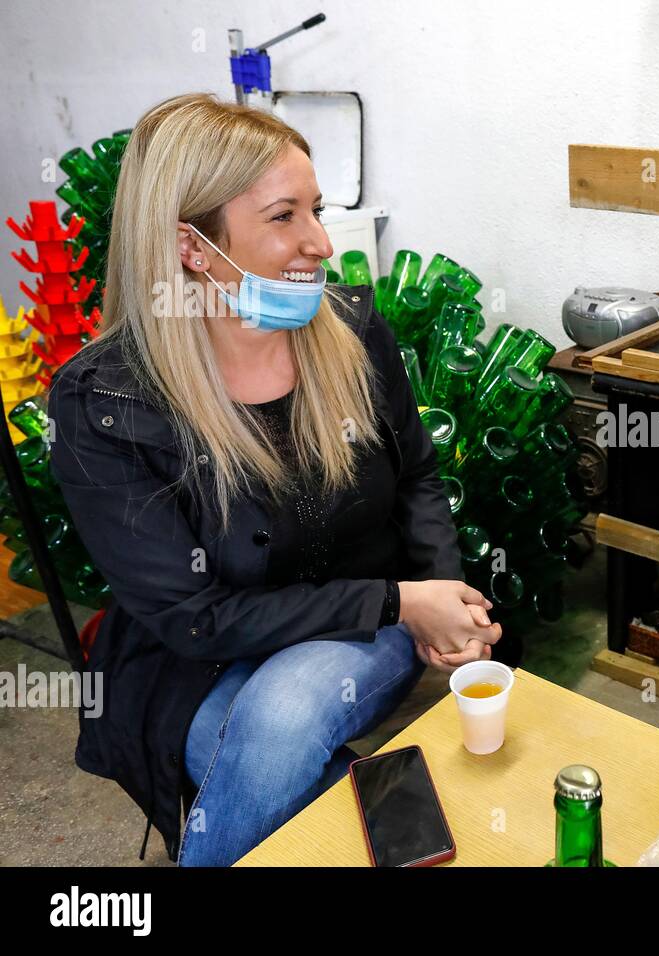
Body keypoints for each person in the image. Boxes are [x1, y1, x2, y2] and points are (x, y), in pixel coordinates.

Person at [48, 93, 501, 866]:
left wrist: (442, 595)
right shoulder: (106, 401)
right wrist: (400, 600)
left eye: (317, 210)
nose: (322, 243)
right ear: (192, 247)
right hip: (194, 656)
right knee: (274, 744)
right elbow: (193, 619)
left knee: (285, 714)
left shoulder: (354, 334)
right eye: (285, 216)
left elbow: (419, 474)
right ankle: (401, 830)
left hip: (356, 631)